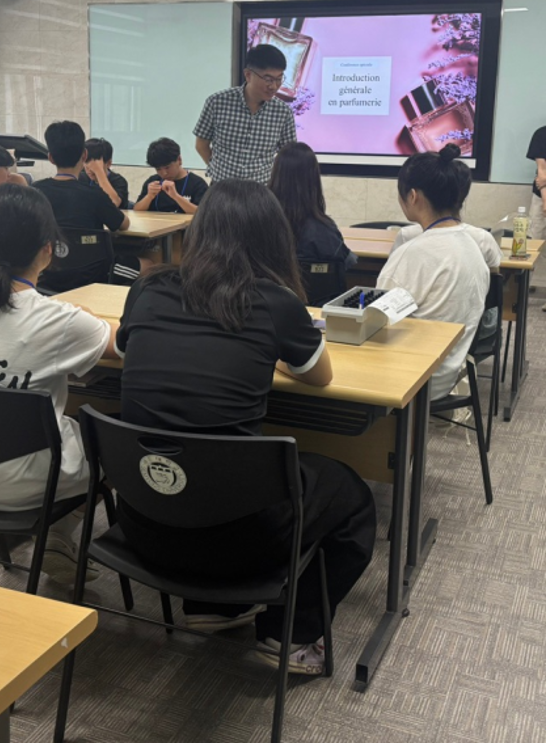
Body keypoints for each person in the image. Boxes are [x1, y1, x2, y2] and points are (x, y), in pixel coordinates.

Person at [115, 179, 375, 674]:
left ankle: (213, 606)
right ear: (273, 237)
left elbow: (130, 354)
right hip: (236, 542)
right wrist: (267, 355)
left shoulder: (146, 288)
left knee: (201, 462)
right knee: (351, 494)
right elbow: (319, 376)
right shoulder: (276, 302)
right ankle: (289, 635)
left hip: (142, 523)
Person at [0, 184, 119, 582]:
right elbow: (124, 343)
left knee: (60, 423)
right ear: (48, 250)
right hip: (18, 480)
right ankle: (58, 536)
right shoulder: (61, 321)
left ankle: (53, 536)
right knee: (114, 442)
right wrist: (84, 316)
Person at [378, 144, 494, 401]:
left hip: (411, 381)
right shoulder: (473, 246)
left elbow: (375, 324)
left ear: (413, 196)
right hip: (449, 376)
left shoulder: (412, 254)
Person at [34, 121, 145, 289]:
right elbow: (123, 224)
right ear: (84, 155)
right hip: (94, 274)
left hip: (46, 273)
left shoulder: (34, 191)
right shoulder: (94, 194)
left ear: (50, 158)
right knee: (150, 265)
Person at [193, 43, 296, 185]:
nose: (273, 86)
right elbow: (201, 144)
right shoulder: (217, 102)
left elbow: (289, 155)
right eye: (268, 79)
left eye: (279, 79)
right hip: (222, 187)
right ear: (248, 75)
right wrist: (216, 169)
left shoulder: (283, 112)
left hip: (260, 189)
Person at [269, 141, 355, 270]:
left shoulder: (261, 225)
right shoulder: (325, 230)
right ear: (313, 180)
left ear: (275, 175)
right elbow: (346, 263)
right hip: (319, 283)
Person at [134, 137, 208, 214]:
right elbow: (136, 210)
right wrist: (149, 196)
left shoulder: (197, 184)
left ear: (179, 160)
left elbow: (203, 213)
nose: (164, 173)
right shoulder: (153, 181)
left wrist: (175, 196)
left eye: (167, 167)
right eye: (158, 169)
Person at [78, 138, 129, 208]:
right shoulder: (80, 178)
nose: (89, 169)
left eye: (94, 165)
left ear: (108, 163)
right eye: (85, 163)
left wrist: (98, 172)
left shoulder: (119, 181)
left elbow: (114, 203)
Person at [526, 124, 546, 241]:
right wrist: (545, 201)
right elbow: (542, 173)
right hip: (541, 195)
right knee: (536, 237)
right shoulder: (542, 133)